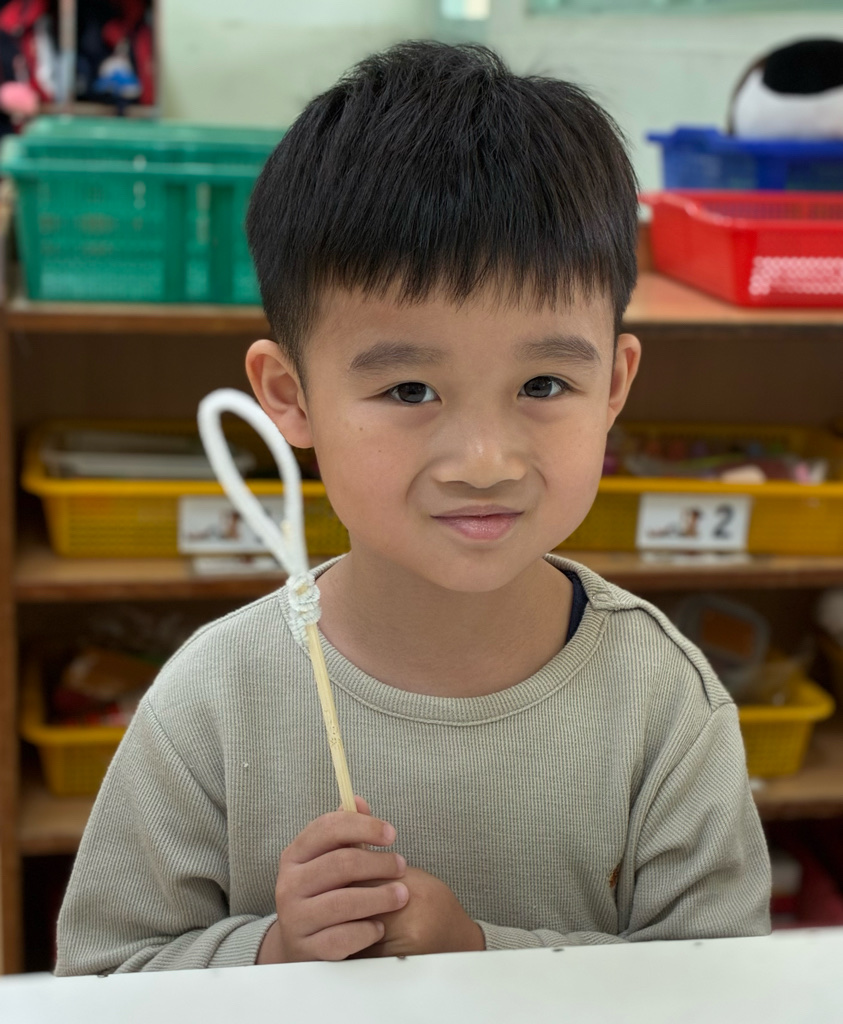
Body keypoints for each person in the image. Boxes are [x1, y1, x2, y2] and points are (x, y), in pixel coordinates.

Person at [55, 41, 771, 974]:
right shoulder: (212, 699)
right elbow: (101, 976)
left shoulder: (665, 703)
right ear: (290, 397)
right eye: (407, 390)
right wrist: (272, 953)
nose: (484, 462)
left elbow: (721, 984)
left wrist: (476, 955)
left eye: (544, 384)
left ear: (613, 385)